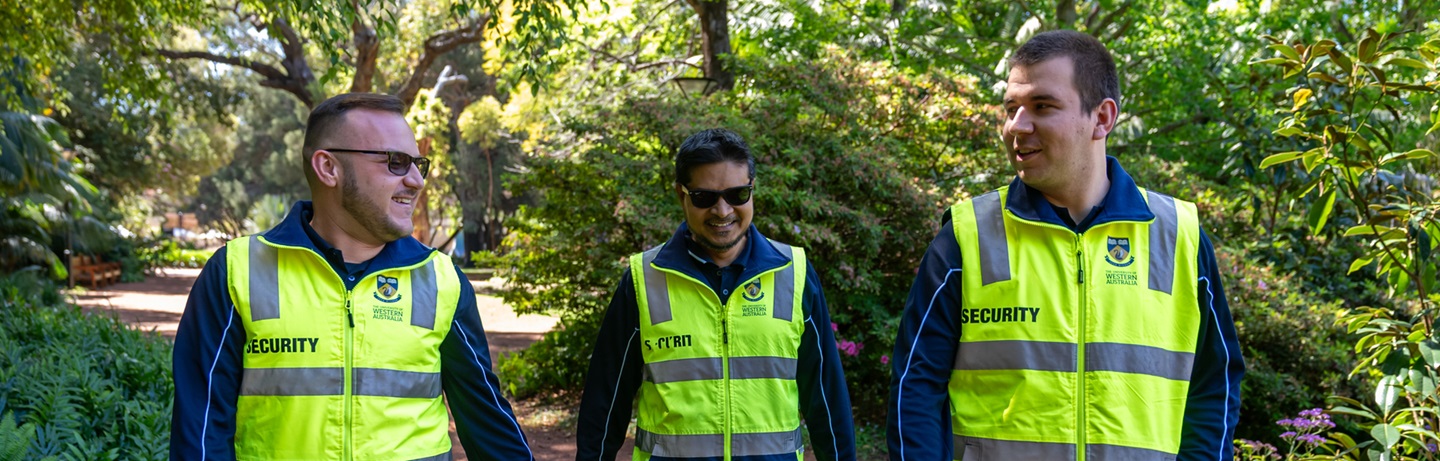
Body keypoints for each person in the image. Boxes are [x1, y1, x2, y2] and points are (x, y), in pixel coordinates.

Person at [886, 30, 1244, 460]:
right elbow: (915, 386)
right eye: (1011, 109)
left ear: (1102, 118)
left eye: (1042, 106)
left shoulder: (1177, 234)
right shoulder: (967, 234)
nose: (1017, 126)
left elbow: (1215, 385)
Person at [171, 93, 534, 460]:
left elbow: (489, 424)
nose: (416, 181)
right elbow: (200, 436)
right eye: (396, 162)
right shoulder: (236, 272)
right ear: (328, 168)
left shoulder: (441, 280)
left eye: (417, 165)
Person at [575, 128, 857, 461]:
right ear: (682, 195)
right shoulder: (644, 279)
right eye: (705, 197)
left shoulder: (794, 273)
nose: (722, 211)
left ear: (753, 190)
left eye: (737, 194)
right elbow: (605, 402)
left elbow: (826, 397)